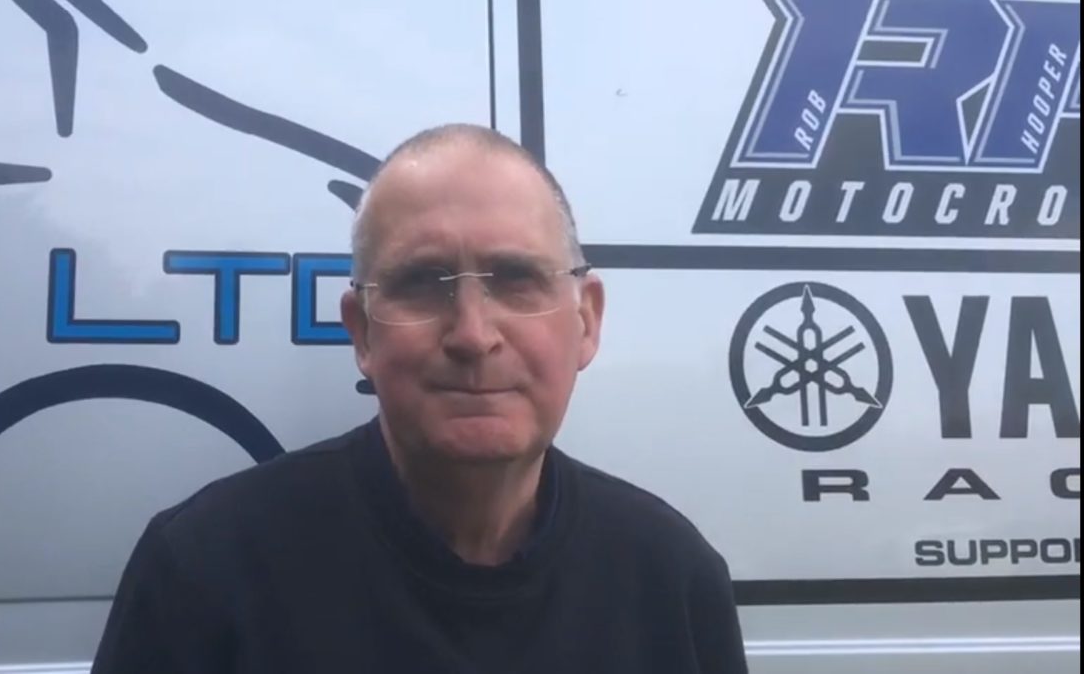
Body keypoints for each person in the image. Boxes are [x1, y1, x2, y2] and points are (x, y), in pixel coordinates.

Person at [91, 123, 748, 673]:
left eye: (515, 278)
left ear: (586, 320)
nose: (473, 334)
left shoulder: (670, 579)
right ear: (362, 332)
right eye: (424, 282)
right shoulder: (205, 572)